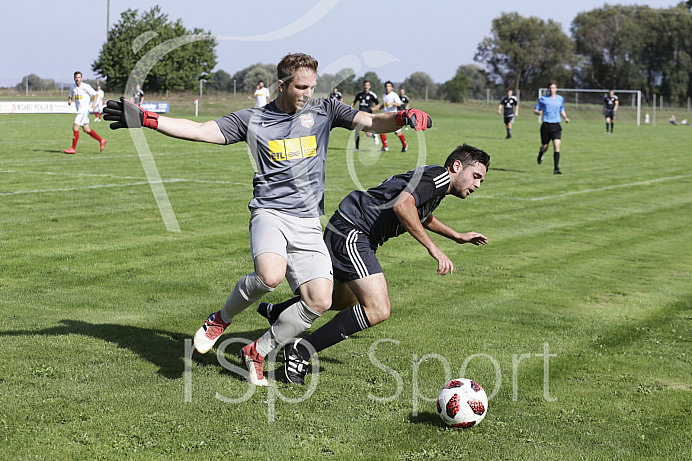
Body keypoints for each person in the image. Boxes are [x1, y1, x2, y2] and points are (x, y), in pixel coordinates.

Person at [103, 52, 432, 386]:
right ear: (282, 84)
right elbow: (202, 130)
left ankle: (257, 352)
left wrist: (403, 116)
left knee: (321, 299)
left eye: (312, 86)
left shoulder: (325, 110)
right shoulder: (254, 119)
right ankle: (220, 319)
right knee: (269, 276)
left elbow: (373, 121)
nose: (307, 93)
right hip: (270, 212)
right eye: (301, 87)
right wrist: (148, 120)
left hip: (307, 221)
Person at [255, 144, 490, 385]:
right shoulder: (438, 177)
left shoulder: (435, 181)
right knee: (378, 308)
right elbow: (403, 206)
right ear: (457, 166)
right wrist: (434, 249)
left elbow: (421, 213)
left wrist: (457, 236)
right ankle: (300, 350)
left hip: (349, 228)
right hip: (353, 232)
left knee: (343, 300)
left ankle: (281, 312)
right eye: (476, 176)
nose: (478, 185)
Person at [64, 71, 106, 154]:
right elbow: (70, 95)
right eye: (76, 77)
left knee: (75, 128)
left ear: (81, 78)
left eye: (79, 77)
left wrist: (94, 104)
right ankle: (101, 140)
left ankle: (73, 148)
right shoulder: (73, 87)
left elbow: (95, 94)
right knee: (86, 129)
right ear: (74, 78)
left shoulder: (85, 86)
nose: (77, 79)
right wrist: (69, 100)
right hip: (79, 110)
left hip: (83, 110)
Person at [534, 81, 569, 174]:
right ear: (548, 89)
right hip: (546, 125)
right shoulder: (543, 99)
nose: (551, 89)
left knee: (556, 146)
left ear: (556, 89)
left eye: (553, 87)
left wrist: (565, 117)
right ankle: (541, 153)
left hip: (556, 125)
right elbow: (536, 109)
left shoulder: (560, 99)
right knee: (545, 146)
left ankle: (556, 168)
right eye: (550, 87)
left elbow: (562, 109)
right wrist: (537, 112)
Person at [375, 81, 407, 152]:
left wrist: (391, 103)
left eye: (389, 86)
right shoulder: (384, 95)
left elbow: (399, 104)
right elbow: (385, 104)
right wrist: (380, 108)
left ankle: (405, 146)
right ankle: (385, 147)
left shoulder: (394, 95)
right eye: (386, 86)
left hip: (393, 116)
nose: (387, 88)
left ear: (392, 88)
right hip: (385, 116)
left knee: (397, 133)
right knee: (381, 131)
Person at [351, 80, 380, 150]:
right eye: (365, 85)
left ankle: (373, 135)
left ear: (369, 86)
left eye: (367, 85)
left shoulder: (372, 95)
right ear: (363, 86)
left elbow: (378, 104)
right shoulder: (359, 94)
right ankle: (357, 147)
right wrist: (350, 108)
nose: (366, 86)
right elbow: (354, 102)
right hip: (360, 115)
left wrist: (374, 108)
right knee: (357, 132)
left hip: (368, 116)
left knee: (367, 134)